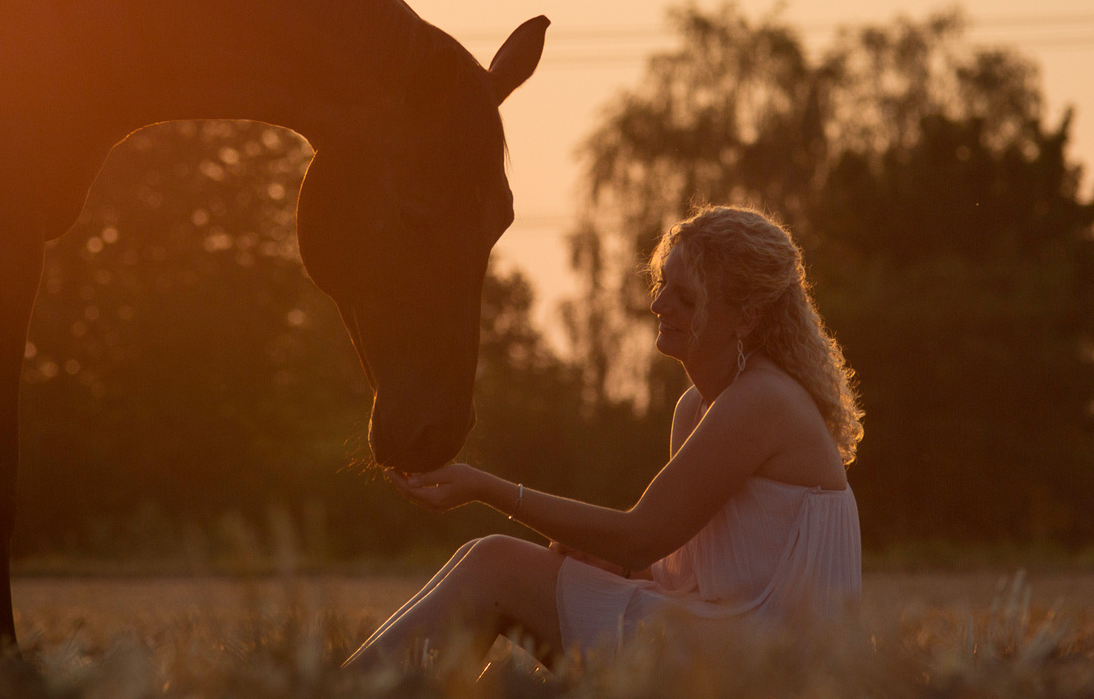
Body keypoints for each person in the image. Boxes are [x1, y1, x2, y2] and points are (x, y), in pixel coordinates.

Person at [343, 205, 864, 671]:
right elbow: (679, 570)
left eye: (684, 297)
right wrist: (608, 562)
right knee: (488, 563)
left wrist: (484, 488)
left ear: (745, 316)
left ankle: (332, 690)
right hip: (724, 637)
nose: (659, 304)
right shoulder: (699, 406)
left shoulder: (762, 401)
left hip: (774, 663)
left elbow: (641, 535)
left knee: (494, 565)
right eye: (661, 283)